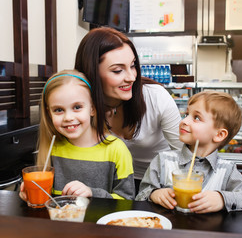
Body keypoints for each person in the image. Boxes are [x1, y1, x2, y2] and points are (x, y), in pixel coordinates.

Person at [74, 27, 183, 189]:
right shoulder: (81, 106)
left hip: (160, 184)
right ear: (92, 73)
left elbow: (186, 155)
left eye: (132, 66)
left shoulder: (156, 97)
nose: (132, 77)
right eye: (118, 70)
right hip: (112, 185)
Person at [136, 91, 242, 213]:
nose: (184, 121)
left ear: (219, 135)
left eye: (197, 118)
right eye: (186, 114)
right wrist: (154, 194)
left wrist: (222, 199)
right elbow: (141, 194)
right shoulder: (163, 160)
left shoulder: (226, 170)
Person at [19, 70, 135, 200]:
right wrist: (31, 192)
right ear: (49, 113)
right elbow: (47, 200)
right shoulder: (52, 148)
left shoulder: (116, 150)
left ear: (92, 108)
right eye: (58, 110)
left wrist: (92, 193)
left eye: (77, 107)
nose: (68, 117)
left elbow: (127, 201)